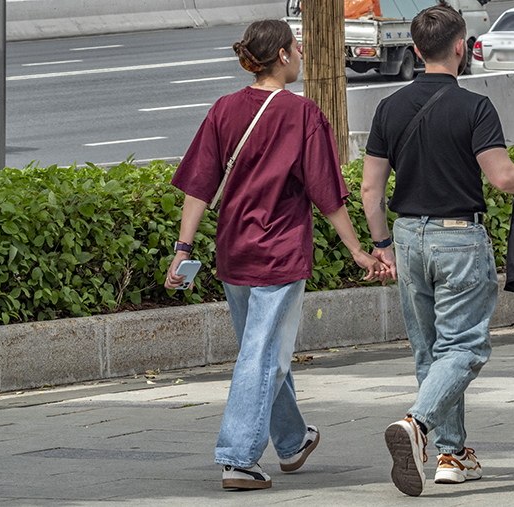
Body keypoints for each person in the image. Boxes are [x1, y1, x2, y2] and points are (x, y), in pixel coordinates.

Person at [164, 19, 389, 491]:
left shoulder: (224, 109)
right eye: (297, 48)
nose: (302, 54)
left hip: (234, 252)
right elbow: (327, 195)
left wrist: (183, 248)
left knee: (260, 350)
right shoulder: (303, 114)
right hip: (280, 253)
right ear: (283, 56)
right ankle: (238, 458)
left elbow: (198, 188)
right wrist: (358, 252)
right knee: (264, 357)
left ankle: (290, 441)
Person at [360, 1, 514, 497]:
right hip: (458, 238)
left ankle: (451, 453)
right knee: (464, 348)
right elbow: (504, 177)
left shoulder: (388, 107)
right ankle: (418, 424)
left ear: (416, 48)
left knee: (431, 351)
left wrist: (382, 244)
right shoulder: (474, 107)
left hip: (406, 238)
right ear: (460, 47)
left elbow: (369, 191)